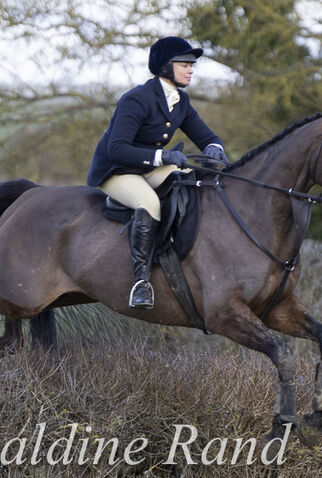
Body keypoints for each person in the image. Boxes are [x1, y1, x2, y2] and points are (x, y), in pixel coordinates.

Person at [87, 36, 228, 309]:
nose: (190, 70)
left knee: (188, 180)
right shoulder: (137, 99)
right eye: (184, 65)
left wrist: (214, 148)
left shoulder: (180, 100)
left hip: (148, 167)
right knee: (149, 202)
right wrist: (162, 156)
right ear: (165, 67)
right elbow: (117, 149)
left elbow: (206, 136)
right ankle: (141, 282)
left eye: (191, 65)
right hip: (117, 170)